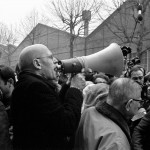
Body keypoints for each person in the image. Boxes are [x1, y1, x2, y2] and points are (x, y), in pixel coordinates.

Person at [11, 44, 86, 150]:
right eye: (51, 59)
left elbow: (53, 111)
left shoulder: (28, 84)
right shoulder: (35, 87)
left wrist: (68, 85)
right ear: (37, 63)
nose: (56, 66)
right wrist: (76, 89)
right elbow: (67, 124)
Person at [74, 78, 142, 150]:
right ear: (129, 104)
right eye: (139, 101)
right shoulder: (117, 142)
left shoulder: (88, 112)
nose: (139, 105)